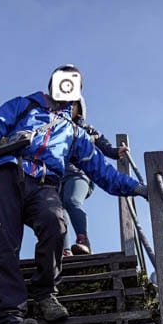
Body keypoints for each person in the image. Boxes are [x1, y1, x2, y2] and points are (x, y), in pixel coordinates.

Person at [0, 65, 147, 324]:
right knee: (4, 245)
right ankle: (11, 317)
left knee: (55, 224)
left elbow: (103, 172)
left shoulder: (75, 133)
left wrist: (137, 187)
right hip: (4, 173)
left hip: (44, 182)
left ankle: (45, 294)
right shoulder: (25, 104)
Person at [61, 98, 128, 257]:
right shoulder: (54, 128)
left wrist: (114, 151)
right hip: (57, 176)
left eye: (73, 104)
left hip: (79, 174)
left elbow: (101, 142)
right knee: (57, 210)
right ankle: (64, 250)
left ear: (80, 109)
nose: (68, 107)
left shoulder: (85, 129)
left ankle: (83, 241)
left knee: (71, 200)